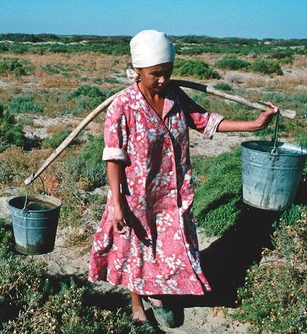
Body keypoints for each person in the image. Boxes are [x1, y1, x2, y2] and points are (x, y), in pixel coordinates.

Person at [87, 30, 279, 326]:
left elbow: (206, 121)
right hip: (136, 195)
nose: (163, 80)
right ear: (137, 71)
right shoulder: (122, 107)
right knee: (135, 250)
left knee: (170, 248)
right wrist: (116, 203)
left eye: (168, 72)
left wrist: (254, 125)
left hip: (172, 195)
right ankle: (137, 302)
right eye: (156, 74)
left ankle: (159, 292)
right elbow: (113, 158)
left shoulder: (176, 96)